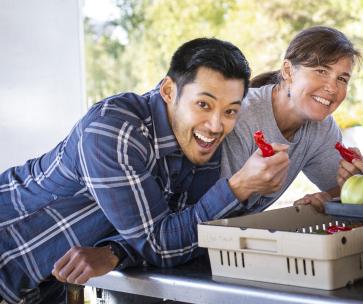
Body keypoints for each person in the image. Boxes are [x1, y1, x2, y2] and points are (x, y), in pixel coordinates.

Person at [0, 38, 292, 304]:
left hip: (45, 284)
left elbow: (187, 235)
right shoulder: (113, 130)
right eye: (203, 104)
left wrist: (113, 252)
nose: (216, 125)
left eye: (230, 111)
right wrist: (238, 187)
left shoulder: (199, 142)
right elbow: (160, 244)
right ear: (168, 91)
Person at [219, 26, 363, 213]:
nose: (332, 88)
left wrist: (352, 182)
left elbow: (344, 187)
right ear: (288, 71)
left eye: (342, 79)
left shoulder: (322, 128)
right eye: (321, 71)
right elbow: (212, 209)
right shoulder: (242, 114)